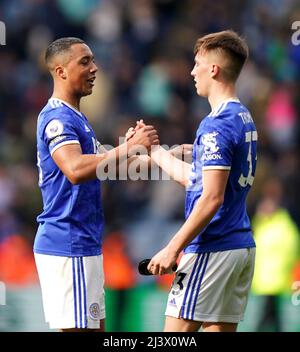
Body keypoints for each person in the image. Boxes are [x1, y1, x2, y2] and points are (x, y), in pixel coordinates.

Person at [34, 37, 159, 332]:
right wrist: (129, 149)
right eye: (85, 61)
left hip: (83, 241)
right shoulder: (58, 119)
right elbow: (76, 169)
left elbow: (107, 165)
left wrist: (174, 156)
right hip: (67, 241)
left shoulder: (77, 118)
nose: (95, 68)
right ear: (61, 71)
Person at [143, 30, 258, 332]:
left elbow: (211, 197)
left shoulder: (216, 125)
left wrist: (172, 248)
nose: (192, 71)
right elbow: (198, 182)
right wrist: (156, 153)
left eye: (197, 64)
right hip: (239, 247)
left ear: (214, 69)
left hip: (211, 246)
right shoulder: (243, 117)